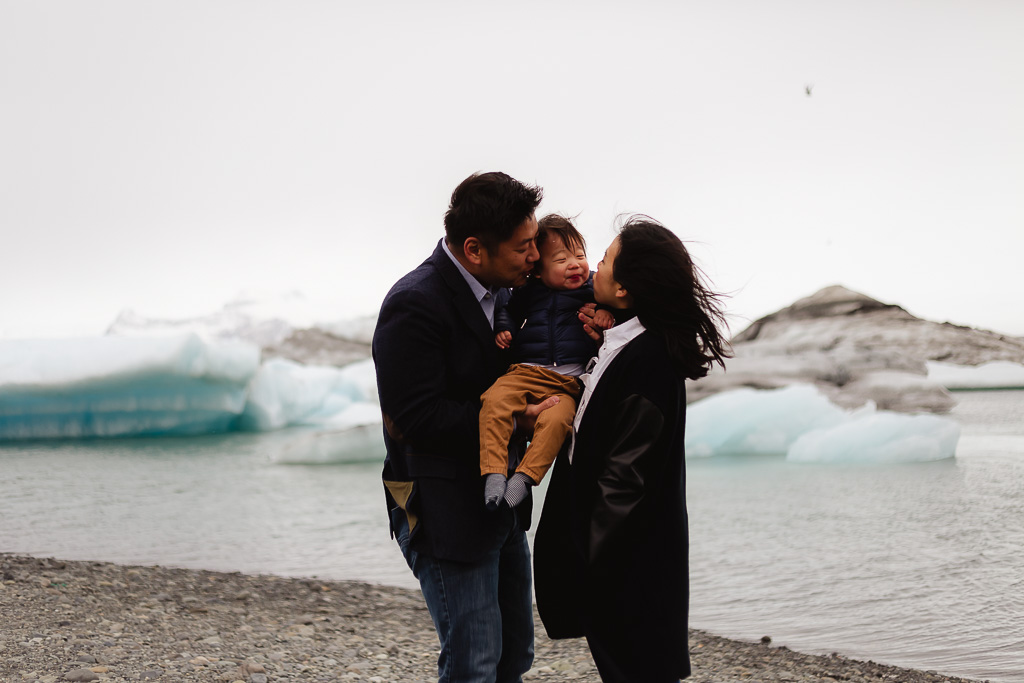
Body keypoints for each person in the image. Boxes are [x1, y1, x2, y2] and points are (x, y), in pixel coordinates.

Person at [372, 171, 558, 683]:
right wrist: (512, 419)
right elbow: (416, 418)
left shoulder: (508, 293)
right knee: (472, 666)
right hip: (444, 513)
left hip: (499, 509)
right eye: (523, 246)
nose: (535, 256)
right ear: (474, 249)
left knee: (514, 658)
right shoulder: (414, 304)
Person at [533, 216, 731, 683]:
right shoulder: (624, 344)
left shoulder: (649, 360)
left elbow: (626, 480)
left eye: (604, 260)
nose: (592, 267)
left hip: (626, 573)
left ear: (624, 289)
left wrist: (589, 566)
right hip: (623, 569)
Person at [479, 214, 615, 510]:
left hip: (566, 384)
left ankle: (524, 479)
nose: (575, 264)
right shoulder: (529, 292)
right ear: (539, 271)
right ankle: (493, 472)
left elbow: (613, 304)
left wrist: (605, 310)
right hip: (525, 372)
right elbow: (509, 310)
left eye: (580, 255)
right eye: (561, 259)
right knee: (494, 400)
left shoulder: (592, 288)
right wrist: (504, 327)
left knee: (558, 421)